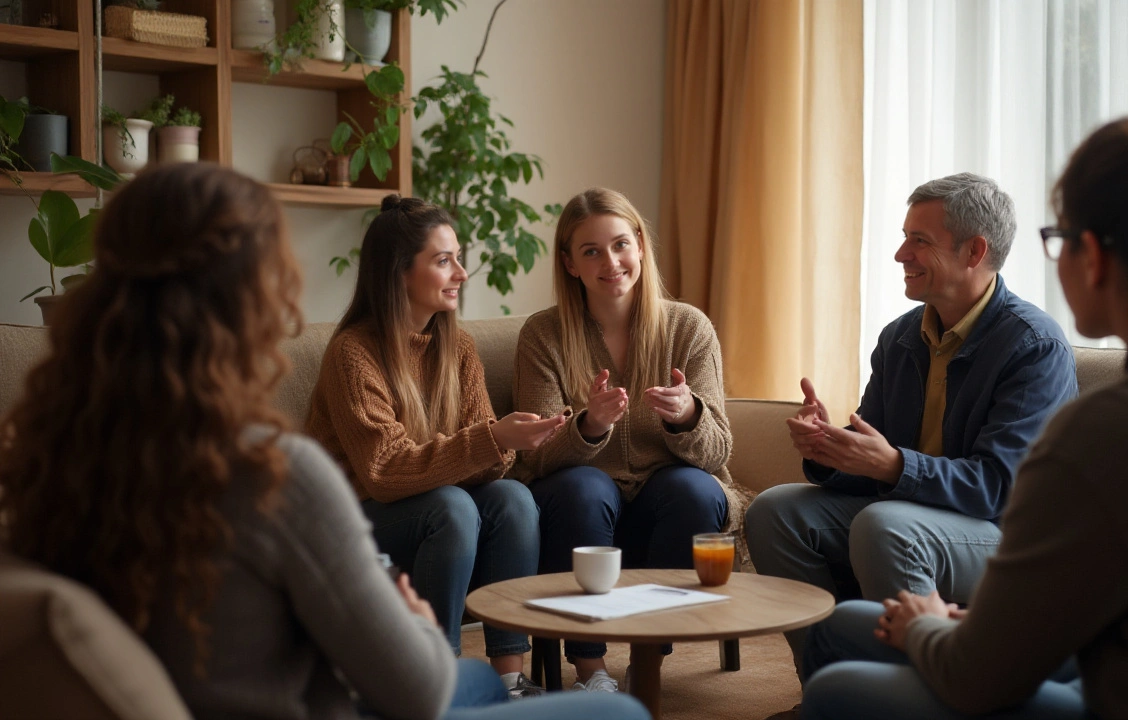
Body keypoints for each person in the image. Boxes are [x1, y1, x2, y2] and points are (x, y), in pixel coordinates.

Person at [0, 163, 649, 720]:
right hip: (352, 678)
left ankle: (504, 672)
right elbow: (412, 685)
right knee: (617, 710)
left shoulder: (55, 456)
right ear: (255, 301)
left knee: (481, 660)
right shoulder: (272, 469)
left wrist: (496, 444)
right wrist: (419, 627)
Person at [800, 104, 1128, 719]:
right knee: (841, 627)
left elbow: (978, 676)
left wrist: (929, 626)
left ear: (1095, 257)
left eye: (1058, 240)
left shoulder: (1104, 429)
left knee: (837, 690)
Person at [746, 172, 1078, 670]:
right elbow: (875, 456)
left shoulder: (1034, 347)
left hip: (1007, 533)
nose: (901, 255)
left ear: (973, 251)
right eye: (904, 238)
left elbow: (1000, 489)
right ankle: (826, 686)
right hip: (915, 508)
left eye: (918, 241)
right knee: (775, 511)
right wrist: (831, 448)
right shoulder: (900, 337)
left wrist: (894, 467)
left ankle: (915, 694)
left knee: (886, 526)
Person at [307, 195, 567, 698]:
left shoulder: (458, 347)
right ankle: (437, 680)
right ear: (399, 273)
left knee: (514, 500)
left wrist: (503, 443)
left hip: (429, 506)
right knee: (450, 508)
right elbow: (384, 471)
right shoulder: (352, 354)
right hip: (357, 520)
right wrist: (491, 439)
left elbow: (491, 465)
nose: (462, 274)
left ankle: (509, 679)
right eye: (443, 260)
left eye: (458, 258)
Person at [513, 187, 753, 691]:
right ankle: (590, 669)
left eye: (621, 244)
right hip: (580, 509)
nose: (611, 262)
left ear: (641, 245)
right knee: (586, 488)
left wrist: (688, 415)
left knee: (696, 489)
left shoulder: (689, 327)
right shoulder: (543, 335)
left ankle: (647, 659)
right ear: (570, 263)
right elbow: (532, 457)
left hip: (663, 507)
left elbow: (719, 453)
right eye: (591, 251)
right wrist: (588, 427)